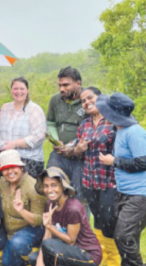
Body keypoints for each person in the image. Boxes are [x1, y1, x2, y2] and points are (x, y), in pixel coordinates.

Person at [96, 93, 146, 266]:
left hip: (143, 194)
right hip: (126, 192)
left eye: (106, 111)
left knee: (123, 235)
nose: (103, 113)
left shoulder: (134, 132)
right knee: (126, 234)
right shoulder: (120, 130)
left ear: (114, 114)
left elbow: (143, 163)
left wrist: (113, 161)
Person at [56, 87, 121, 266]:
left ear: (100, 98)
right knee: (98, 220)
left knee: (109, 221)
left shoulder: (114, 121)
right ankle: (101, 255)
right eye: (83, 101)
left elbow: (131, 144)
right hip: (89, 181)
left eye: (90, 98)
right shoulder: (84, 125)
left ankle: (115, 262)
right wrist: (78, 149)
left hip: (109, 181)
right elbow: (76, 151)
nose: (86, 103)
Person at [30, 167, 102, 266]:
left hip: (88, 253)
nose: (49, 190)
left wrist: (50, 226)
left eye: (54, 185)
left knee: (49, 246)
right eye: (46, 186)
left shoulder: (73, 208)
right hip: (70, 250)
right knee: (34, 258)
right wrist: (40, 261)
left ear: (63, 186)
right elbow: (47, 234)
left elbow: (70, 240)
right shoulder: (50, 204)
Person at [0, 150, 48, 266]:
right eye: (5, 168)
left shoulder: (33, 187)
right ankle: (21, 254)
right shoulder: (2, 182)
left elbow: (40, 220)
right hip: (11, 232)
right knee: (8, 264)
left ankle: (36, 258)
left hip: (32, 230)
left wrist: (22, 211)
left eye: (13, 167)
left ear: (21, 167)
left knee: (17, 243)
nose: (9, 172)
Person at [47, 67, 87, 200]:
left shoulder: (88, 100)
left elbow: (93, 128)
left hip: (81, 156)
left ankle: (80, 220)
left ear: (78, 83)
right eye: (59, 85)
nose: (61, 89)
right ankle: (56, 219)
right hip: (59, 154)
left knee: (78, 194)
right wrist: (55, 140)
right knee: (52, 186)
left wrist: (74, 148)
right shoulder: (55, 100)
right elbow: (51, 123)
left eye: (66, 85)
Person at [0, 77, 47, 178]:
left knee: (25, 191)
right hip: (6, 159)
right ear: (11, 90)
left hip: (28, 160)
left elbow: (39, 136)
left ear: (27, 90)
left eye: (22, 89)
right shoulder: (5, 108)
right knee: (5, 191)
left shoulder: (34, 109)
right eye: (15, 88)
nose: (18, 92)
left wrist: (15, 144)